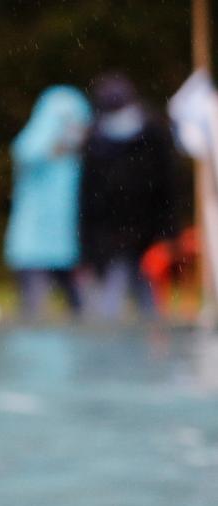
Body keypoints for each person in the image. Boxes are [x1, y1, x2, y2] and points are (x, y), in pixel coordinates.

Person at [78, 72, 179, 322]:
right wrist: (87, 251)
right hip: (109, 244)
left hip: (150, 240)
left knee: (151, 312)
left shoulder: (154, 135)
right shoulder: (95, 142)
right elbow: (87, 201)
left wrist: (167, 238)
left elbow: (170, 190)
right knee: (108, 312)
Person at [5, 86, 90, 322]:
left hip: (69, 245)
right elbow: (26, 153)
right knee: (34, 311)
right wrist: (54, 138)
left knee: (82, 311)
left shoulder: (78, 158)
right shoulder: (35, 146)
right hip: (33, 248)